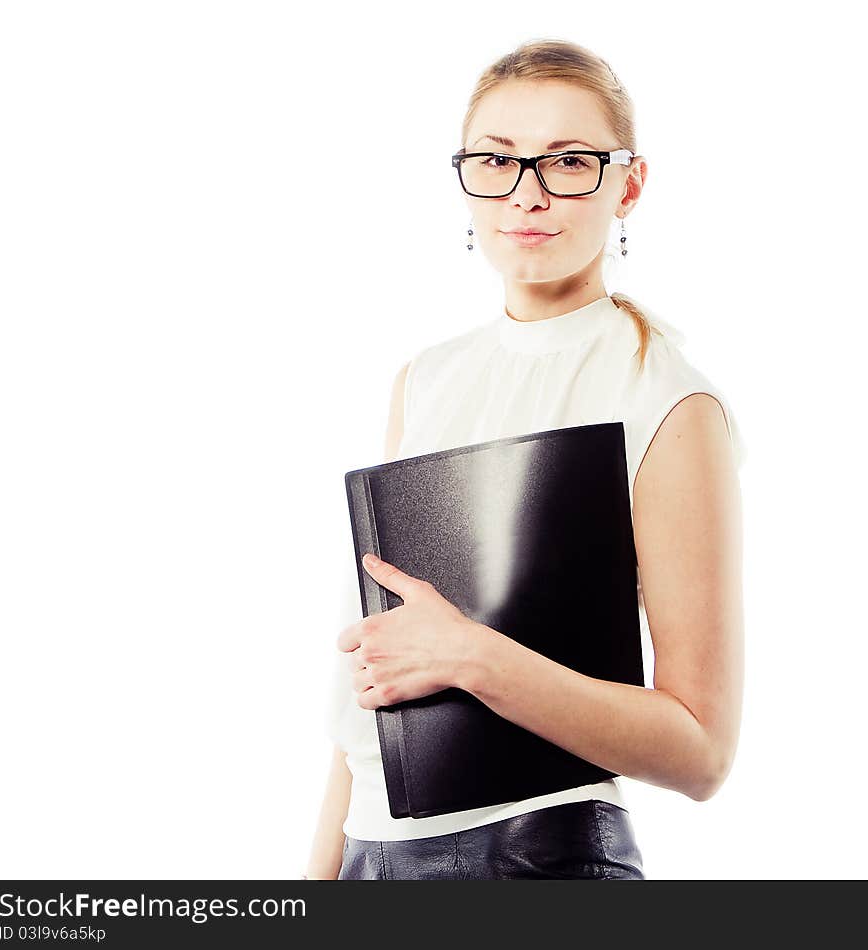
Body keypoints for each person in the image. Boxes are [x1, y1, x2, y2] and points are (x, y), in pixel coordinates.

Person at [306, 38, 747, 880]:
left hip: (536, 858)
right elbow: (375, 684)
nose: (528, 195)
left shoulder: (666, 400)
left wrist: (474, 656)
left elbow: (702, 752)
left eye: (570, 161)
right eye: (497, 161)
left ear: (630, 184)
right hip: (368, 855)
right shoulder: (425, 379)